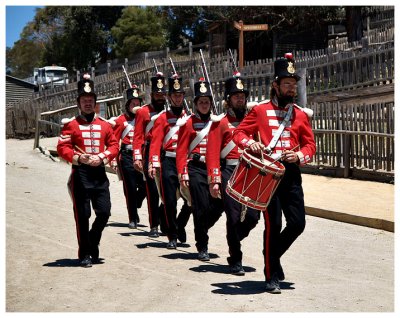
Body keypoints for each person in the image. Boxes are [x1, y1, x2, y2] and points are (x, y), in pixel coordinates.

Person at [232, 53, 316, 293]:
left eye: (294, 84)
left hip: (291, 175)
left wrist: (299, 156)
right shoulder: (259, 111)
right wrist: (251, 144)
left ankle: (271, 255)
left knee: (298, 224)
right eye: (286, 84)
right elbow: (238, 134)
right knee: (273, 224)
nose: (291, 88)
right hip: (267, 176)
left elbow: (311, 145)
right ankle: (271, 276)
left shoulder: (300, 114)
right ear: (275, 85)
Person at [57, 74, 119, 267]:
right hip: (80, 175)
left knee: (104, 212)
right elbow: (62, 148)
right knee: (82, 215)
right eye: (84, 101)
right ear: (79, 103)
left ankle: (93, 239)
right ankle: (85, 253)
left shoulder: (104, 125)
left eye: (90, 101)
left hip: (99, 173)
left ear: (95, 103)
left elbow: (114, 145)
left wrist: (102, 157)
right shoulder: (71, 125)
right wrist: (78, 158)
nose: (88, 104)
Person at [206, 72, 260, 275]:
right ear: (228, 100)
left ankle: (234, 237)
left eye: (242, 95)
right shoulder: (219, 123)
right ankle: (235, 257)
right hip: (230, 169)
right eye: (236, 95)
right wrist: (215, 180)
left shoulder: (253, 120)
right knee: (233, 215)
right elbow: (212, 153)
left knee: (253, 217)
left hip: (251, 170)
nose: (240, 99)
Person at [176, 77, 224, 261]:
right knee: (201, 206)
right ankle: (202, 245)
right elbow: (181, 151)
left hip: (215, 168)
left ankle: (201, 227)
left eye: (207, 102)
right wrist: (183, 173)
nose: (204, 105)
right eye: (201, 102)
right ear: (196, 104)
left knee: (219, 205)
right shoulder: (188, 123)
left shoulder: (218, 123)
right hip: (195, 167)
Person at [148, 73, 192, 249]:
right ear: (169, 97)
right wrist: (153, 162)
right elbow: (156, 142)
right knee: (170, 200)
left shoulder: (189, 117)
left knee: (191, 198)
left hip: (185, 162)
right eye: (174, 95)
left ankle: (180, 224)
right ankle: (172, 235)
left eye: (180, 95)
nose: (177, 98)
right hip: (168, 161)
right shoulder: (161, 118)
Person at [133, 72, 167, 238]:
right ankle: (154, 224)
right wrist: (137, 157)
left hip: (166, 153)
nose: (160, 97)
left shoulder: (171, 111)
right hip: (148, 153)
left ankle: (164, 217)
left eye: (162, 94)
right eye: (157, 94)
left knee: (169, 190)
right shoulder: (143, 112)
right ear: (152, 95)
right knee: (152, 190)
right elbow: (138, 136)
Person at [109, 84, 147, 229]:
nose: (135, 106)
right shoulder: (121, 120)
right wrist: (112, 159)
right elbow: (114, 141)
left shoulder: (143, 119)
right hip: (126, 156)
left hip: (141, 156)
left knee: (144, 185)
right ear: (128, 105)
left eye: (138, 103)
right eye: (133, 103)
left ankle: (137, 202)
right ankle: (132, 217)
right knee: (129, 187)